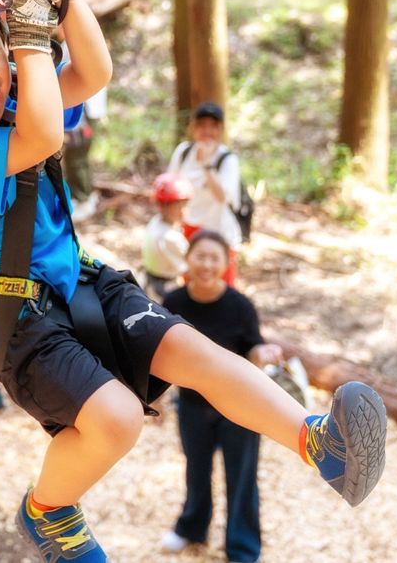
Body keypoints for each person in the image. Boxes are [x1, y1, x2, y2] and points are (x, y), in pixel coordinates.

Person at [0, 0, 387, 561]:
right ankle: (48, 510)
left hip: (79, 282)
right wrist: (28, 45)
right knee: (113, 420)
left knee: (201, 351)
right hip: (14, 320)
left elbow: (93, 69)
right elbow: (40, 140)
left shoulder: (12, 91)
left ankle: (320, 445)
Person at [160, 230, 285, 563]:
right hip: (192, 404)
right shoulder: (173, 302)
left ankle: (243, 548)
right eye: (200, 256)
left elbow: (252, 350)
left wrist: (264, 351)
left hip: (240, 407)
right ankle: (191, 528)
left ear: (225, 264)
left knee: (242, 477)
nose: (206, 264)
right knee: (196, 470)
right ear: (187, 259)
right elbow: (159, 353)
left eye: (214, 258)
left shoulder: (239, 305)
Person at [167, 102, 244, 285]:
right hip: (188, 229)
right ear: (194, 127)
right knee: (191, 285)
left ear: (220, 129)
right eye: (202, 125)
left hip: (219, 231)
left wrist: (207, 164)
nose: (206, 131)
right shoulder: (184, 152)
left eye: (212, 126)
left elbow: (222, 197)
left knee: (221, 287)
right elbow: (171, 185)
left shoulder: (227, 160)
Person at [142, 173, 193, 303]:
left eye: (185, 205)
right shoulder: (171, 238)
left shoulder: (156, 221)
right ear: (163, 206)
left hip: (150, 281)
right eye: (179, 206)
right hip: (165, 288)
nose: (184, 210)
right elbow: (191, 270)